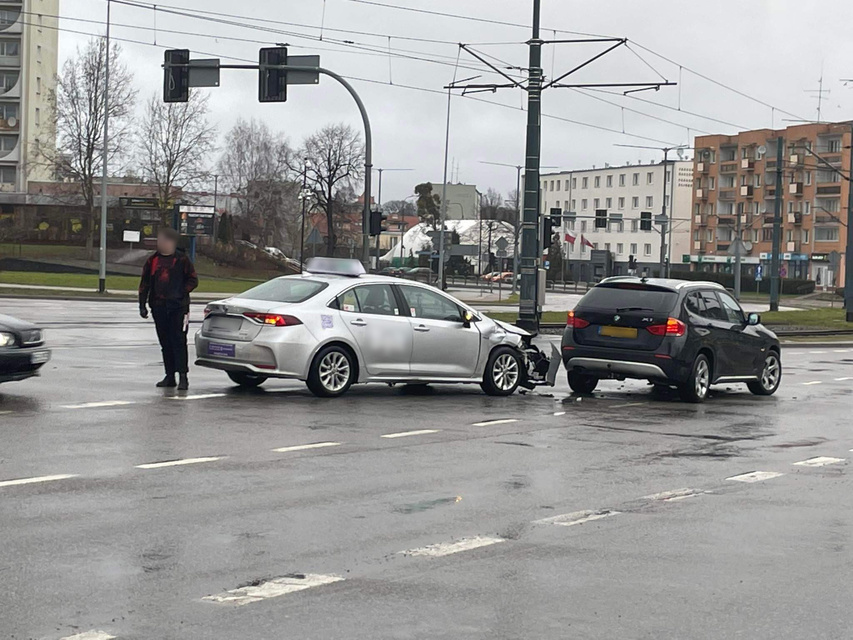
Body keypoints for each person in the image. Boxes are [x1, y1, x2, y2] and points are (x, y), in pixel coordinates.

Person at [138, 227, 199, 390]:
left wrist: (180, 292)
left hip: (178, 308)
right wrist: (142, 304)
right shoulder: (152, 261)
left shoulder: (182, 260)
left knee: (178, 340)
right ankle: (169, 375)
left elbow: (193, 280)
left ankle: (183, 376)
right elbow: (145, 283)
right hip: (159, 307)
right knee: (165, 342)